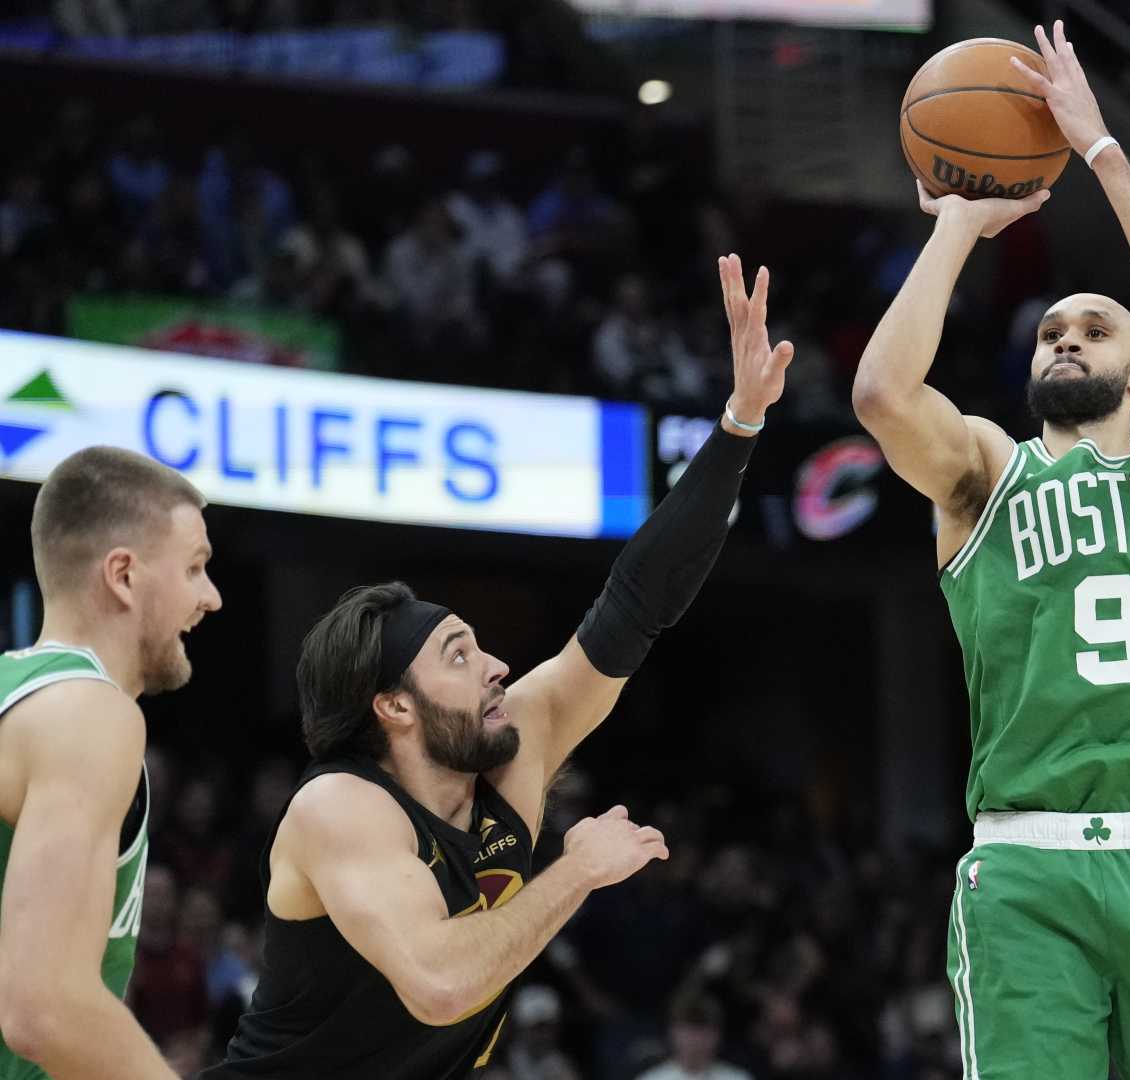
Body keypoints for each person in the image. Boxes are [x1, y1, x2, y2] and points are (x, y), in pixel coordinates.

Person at [203, 253, 794, 1078]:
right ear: (394, 707)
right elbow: (440, 984)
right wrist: (577, 869)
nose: (498, 667)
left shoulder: (514, 744)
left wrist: (737, 425)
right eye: (459, 654)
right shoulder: (341, 808)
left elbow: (635, 602)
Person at [852, 23, 1130, 1078]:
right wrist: (956, 225)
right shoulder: (988, 474)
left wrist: (1102, 151)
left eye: (1095, 328)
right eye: (1049, 331)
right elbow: (880, 397)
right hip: (1026, 868)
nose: (1066, 336)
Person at [0, 447, 223, 1079]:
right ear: (123, 574)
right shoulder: (92, 714)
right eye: (196, 568)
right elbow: (43, 1008)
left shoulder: (21, 697)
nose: (212, 597)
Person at [635, 992, 753, 1080]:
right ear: (673, 1032)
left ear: (718, 1035)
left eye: (703, 1031)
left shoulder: (738, 1078)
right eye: (689, 1031)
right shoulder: (651, 1078)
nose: (696, 1040)